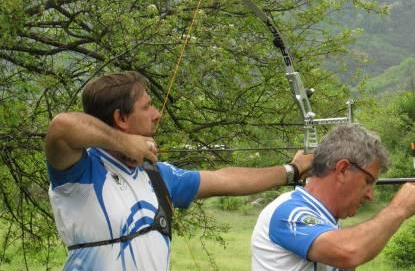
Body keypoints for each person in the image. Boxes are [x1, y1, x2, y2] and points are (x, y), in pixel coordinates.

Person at [45, 71, 313, 270]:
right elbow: (62, 126)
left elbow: (226, 179)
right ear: (121, 119)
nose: (157, 114)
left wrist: (293, 169)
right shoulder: (81, 172)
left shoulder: (157, 176)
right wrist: (124, 142)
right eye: (147, 106)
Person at [251, 124, 415, 271]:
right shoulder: (290, 211)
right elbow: (349, 251)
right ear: (342, 170)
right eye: (367, 181)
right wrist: (398, 208)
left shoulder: (325, 220)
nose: (370, 195)